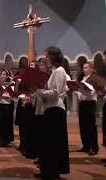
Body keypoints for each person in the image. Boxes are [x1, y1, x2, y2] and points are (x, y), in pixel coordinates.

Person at [35, 46, 70, 179]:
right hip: (50, 109)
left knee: (52, 143)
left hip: (56, 110)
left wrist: (38, 91)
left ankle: (51, 171)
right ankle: (48, 170)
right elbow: (48, 94)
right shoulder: (54, 71)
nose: (45, 59)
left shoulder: (60, 71)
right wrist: (37, 91)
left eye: (47, 56)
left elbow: (55, 93)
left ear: (54, 57)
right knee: (48, 142)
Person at [74, 62, 99, 156]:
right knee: (83, 125)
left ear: (91, 68)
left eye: (86, 67)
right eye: (83, 68)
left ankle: (94, 147)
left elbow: (92, 93)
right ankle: (86, 146)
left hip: (90, 103)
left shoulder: (94, 78)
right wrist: (76, 90)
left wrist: (82, 91)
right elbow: (81, 95)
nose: (84, 69)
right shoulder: (83, 79)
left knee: (91, 126)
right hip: (83, 103)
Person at [0, 69, 14, 147]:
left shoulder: (11, 84)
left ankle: (4, 140)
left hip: (6, 105)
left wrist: (4, 95)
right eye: (2, 74)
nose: (2, 75)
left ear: (7, 76)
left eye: (4, 74)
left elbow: (12, 96)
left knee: (5, 123)